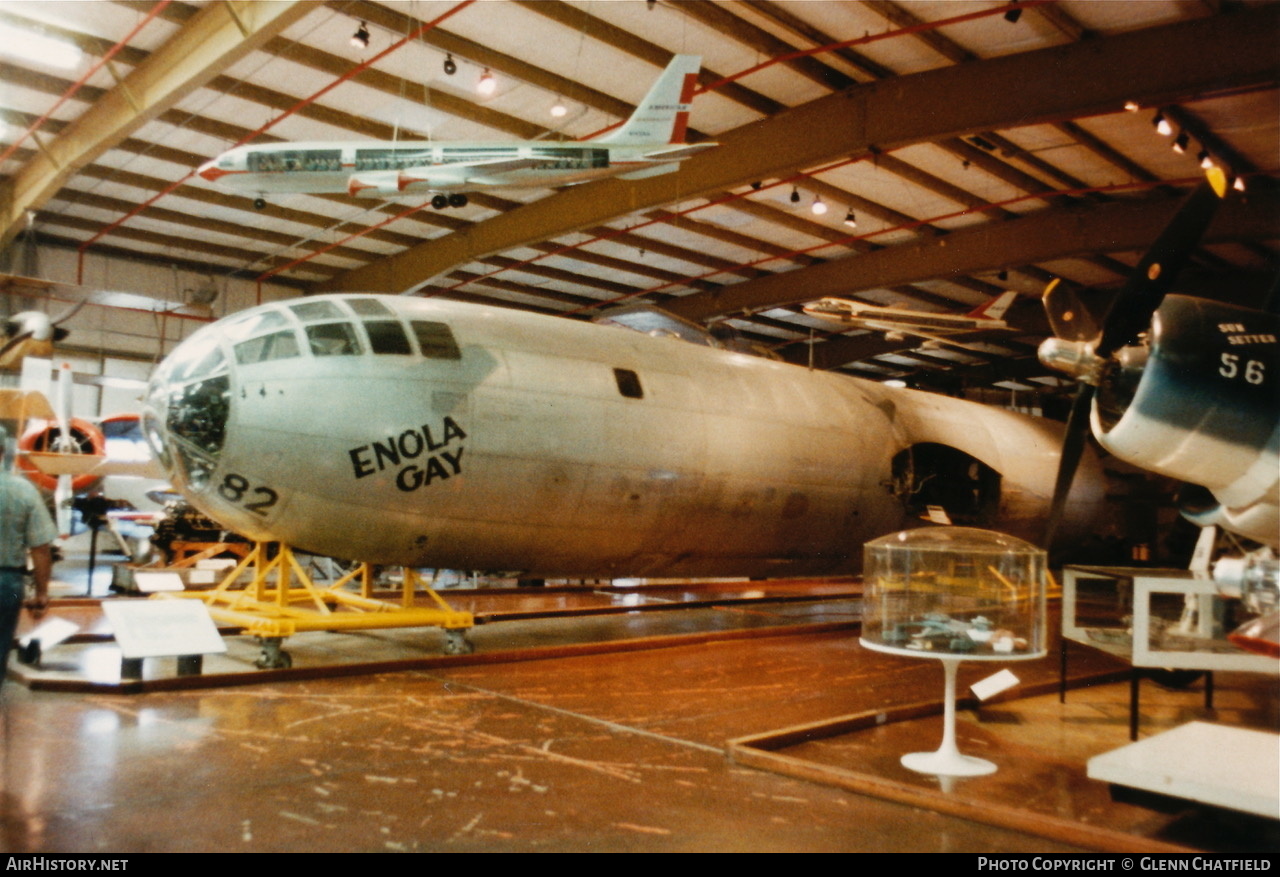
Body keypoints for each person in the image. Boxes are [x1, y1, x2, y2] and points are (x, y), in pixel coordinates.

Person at [0, 435, 58, 689]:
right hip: (7, 583)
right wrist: (42, 592)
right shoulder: (23, 490)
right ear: (3, 451)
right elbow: (40, 548)